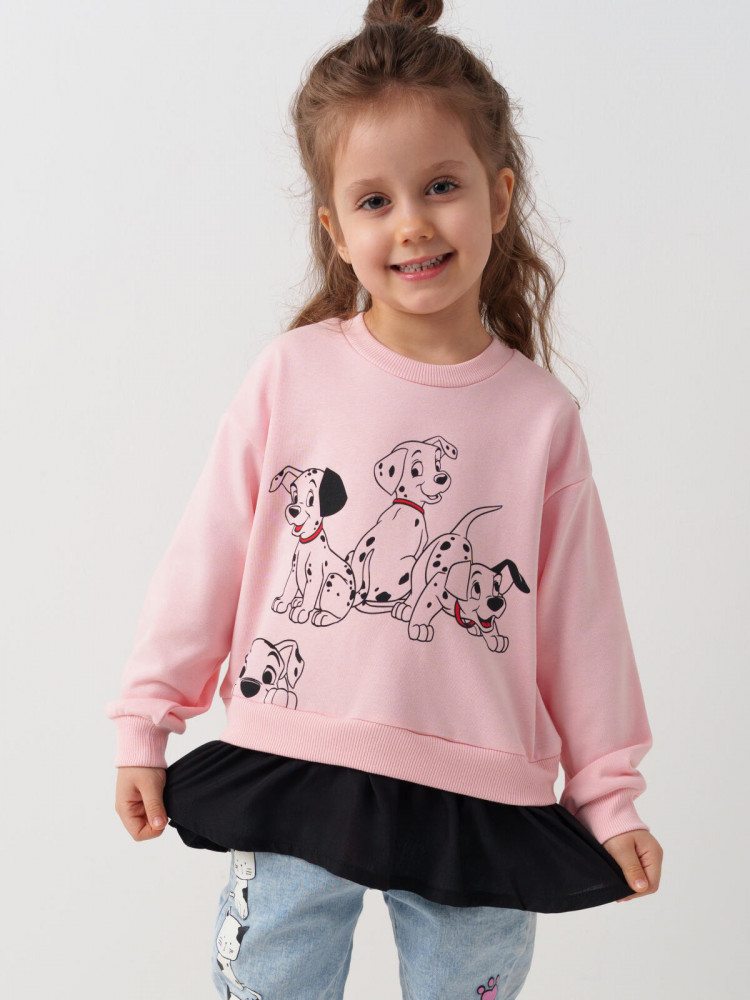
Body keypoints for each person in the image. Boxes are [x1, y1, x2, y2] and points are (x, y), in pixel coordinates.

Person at [107, 1, 663, 997]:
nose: (412, 223)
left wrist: (609, 796)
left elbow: (582, 623)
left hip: (477, 791)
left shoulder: (539, 417)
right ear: (335, 228)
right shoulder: (292, 375)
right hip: (296, 763)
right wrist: (146, 720)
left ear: (499, 195)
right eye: (374, 200)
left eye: (441, 186)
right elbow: (209, 555)